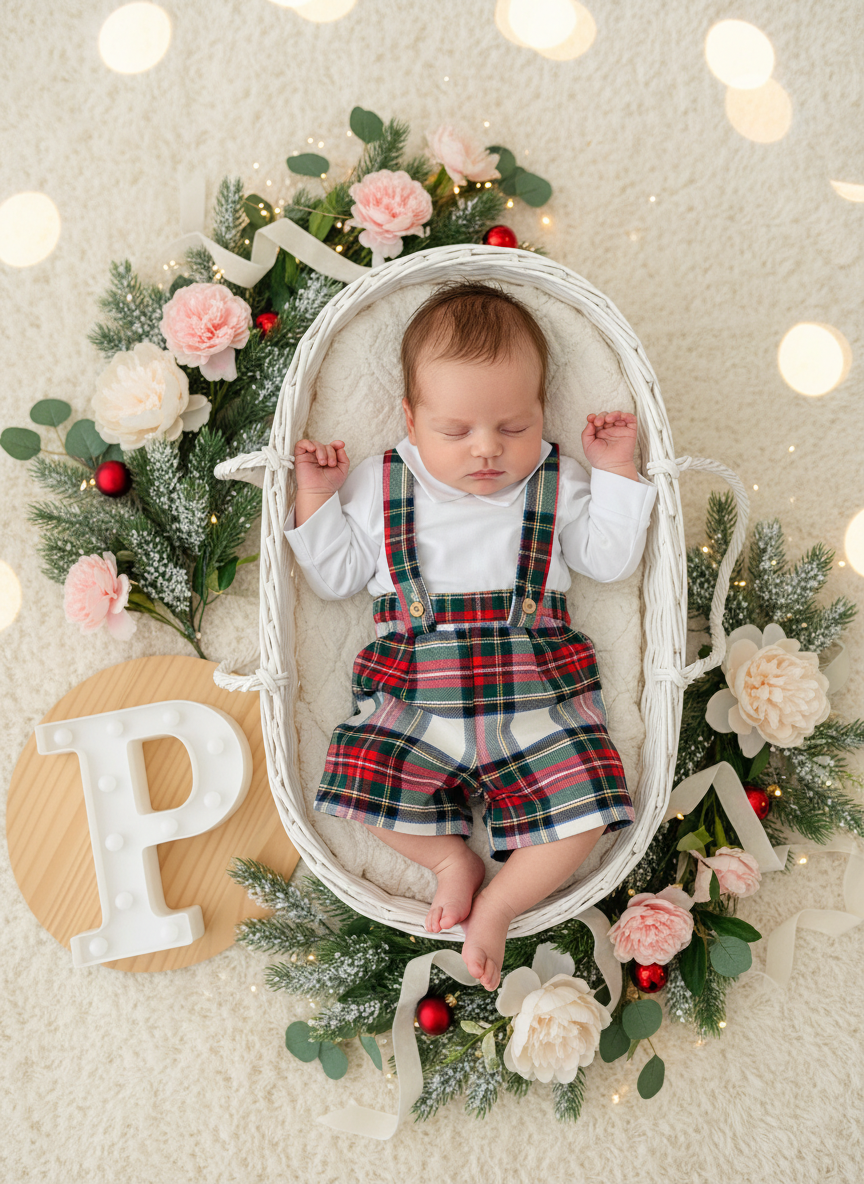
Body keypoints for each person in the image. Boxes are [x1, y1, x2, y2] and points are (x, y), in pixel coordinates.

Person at [283, 279, 657, 990]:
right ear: (410, 418)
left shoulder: (557, 480)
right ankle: (450, 859)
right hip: (417, 700)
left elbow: (610, 560)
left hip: (536, 700)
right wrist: (317, 498)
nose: (487, 451)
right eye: (456, 431)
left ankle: (501, 902)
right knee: (361, 785)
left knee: (590, 807)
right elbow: (333, 576)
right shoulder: (380, 482)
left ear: (542, 414)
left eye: (513, 428)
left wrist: (612, 471)